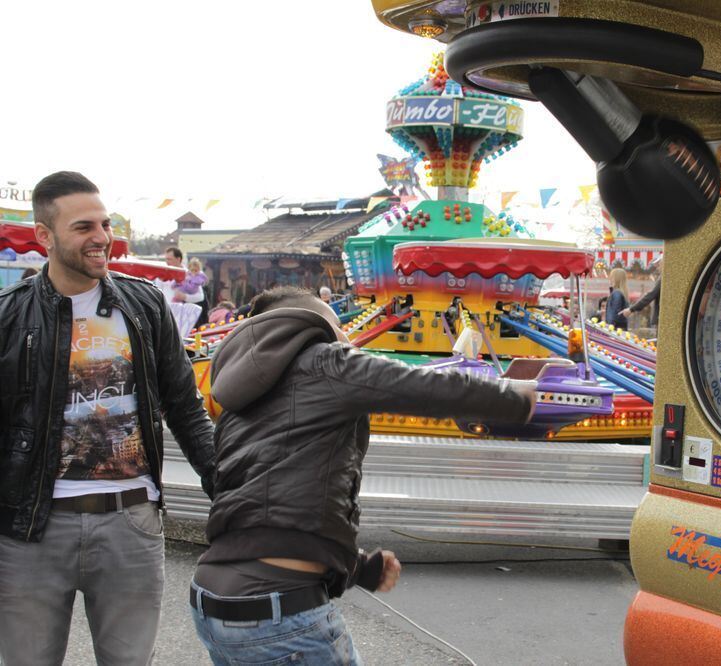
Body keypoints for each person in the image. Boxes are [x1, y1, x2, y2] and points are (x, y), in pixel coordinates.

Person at [189, 286, 537, 665]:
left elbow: (265, 510)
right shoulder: (324, 360)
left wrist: (355, 567)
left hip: (214, 605)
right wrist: (517, 396)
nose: (347, 337)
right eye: (339, 326)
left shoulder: (242, 396)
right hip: (279, 614)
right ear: (308, 325)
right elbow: (420, 386)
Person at [0, 171, 216, 664]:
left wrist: (227, 487)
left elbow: (185, 407)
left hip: (131, 524)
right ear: (44, 236)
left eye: (104, 224)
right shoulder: (8, 316)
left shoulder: (144, 305)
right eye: (83, 227)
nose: (101, 238)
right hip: (31, 531)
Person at [620, 255, 662, 328]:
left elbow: (651, 295)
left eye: (658, 265)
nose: (657, 268)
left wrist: (631, 309)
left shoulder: (662, 278)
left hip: (660, 317)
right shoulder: (663, 277)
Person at [174, 257, 209, 327]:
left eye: (195, 270)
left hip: (196, 312)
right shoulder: (187, 277)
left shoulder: (197, 280)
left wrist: (184, 296)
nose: (193, 272)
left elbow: (200, 297)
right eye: (192, 270)